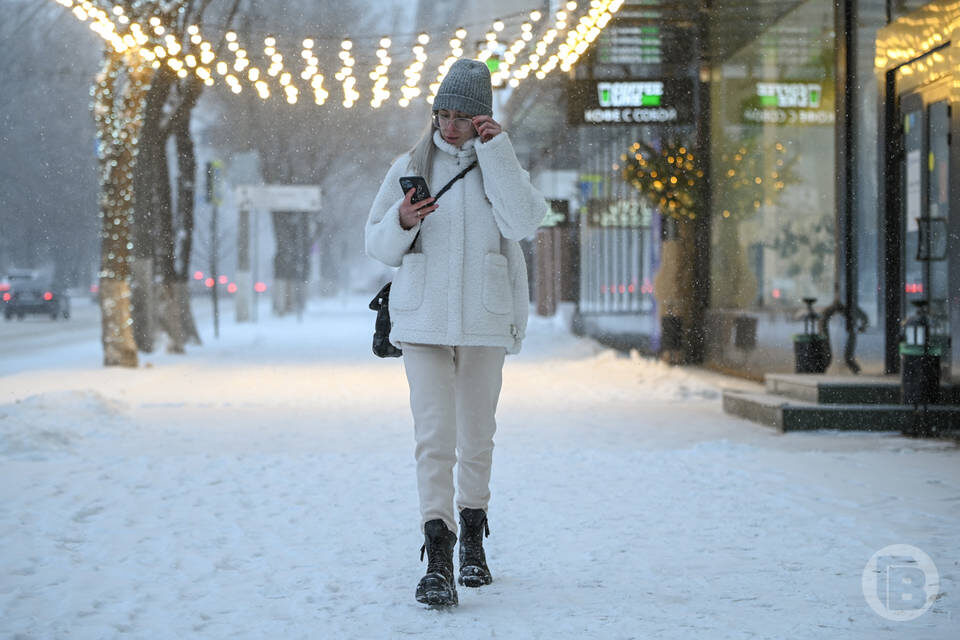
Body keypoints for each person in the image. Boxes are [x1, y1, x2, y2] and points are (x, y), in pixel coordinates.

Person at [364, 59, 548, 607]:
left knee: (476, 435)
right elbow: (376, 245)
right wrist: (402, 218)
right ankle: (438, 554)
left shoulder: (501, 166)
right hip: (421, 322)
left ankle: (473, 539)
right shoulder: (410, 163)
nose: (448, 126)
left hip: (484, 322)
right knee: (433, 437)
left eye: (461, 116)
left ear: (482, 119)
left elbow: (523, 225)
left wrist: (498, 155)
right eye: (442, 114)